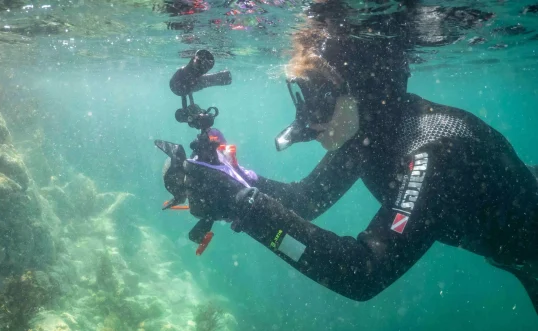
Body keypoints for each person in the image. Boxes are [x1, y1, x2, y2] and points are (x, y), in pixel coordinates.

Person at [183, 4, 538, 314]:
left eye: (318, 96)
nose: (306, 116)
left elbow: (363, 273)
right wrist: (230, 177)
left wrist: (241, 204)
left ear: (363, 91)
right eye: (302, 96)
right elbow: (306, 199)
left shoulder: (431, 151)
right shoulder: (370, 131)